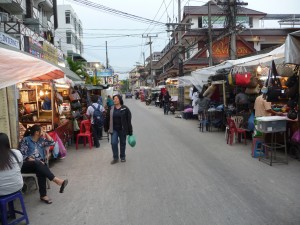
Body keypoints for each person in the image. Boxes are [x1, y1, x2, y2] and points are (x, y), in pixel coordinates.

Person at [19, 125, 68, 204]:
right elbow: (22, 155)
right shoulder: (26, 140)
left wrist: (46, 134)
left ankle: (43, 195)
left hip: (39, 164)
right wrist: (34, 160)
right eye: (42, 130)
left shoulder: (41, 140)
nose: (43, 132)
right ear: (37, 132)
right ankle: (56, 180)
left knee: (40, 169)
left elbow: (52, 143)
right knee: (39, 164)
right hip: (27, 164)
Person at [105, 94, 133, 164]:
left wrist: (130, 131)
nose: (115, 100)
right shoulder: (111, 109)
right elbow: (107, 119)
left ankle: (123, 157)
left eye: (116, 98)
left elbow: (128, 120)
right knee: (113, 143)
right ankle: (115, 157)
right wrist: (106, 128)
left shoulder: (125, 109)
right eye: (114, 99)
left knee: (123, 143)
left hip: (122, 129)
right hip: (113, 129)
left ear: (120, 100)